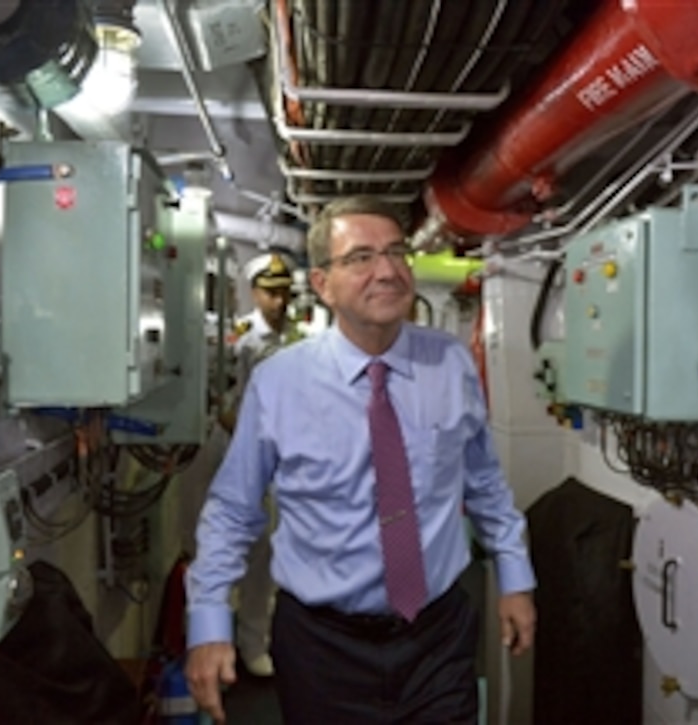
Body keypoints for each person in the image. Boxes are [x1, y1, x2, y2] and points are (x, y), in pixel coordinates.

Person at [185, 196, 537, 724]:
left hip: (436, 638)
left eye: (397, 252)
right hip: (324, 648)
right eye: (361, 257)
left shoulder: (450, 363)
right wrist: (210, 622)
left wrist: (515, 575)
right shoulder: (280, 383)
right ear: (323, 284)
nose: (388, 270)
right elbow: (234, 509)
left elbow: (484, 481)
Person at [219, 251, 299, 678]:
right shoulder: (242, 341)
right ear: (254, 292)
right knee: (245, 550)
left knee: (273, 553)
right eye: (270, 291)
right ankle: (237, 644)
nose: (279, 299)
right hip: (247, 461)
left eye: (284, 291)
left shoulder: (294, 339)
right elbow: (223, 406)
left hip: (286, 462)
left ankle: (258, 638)